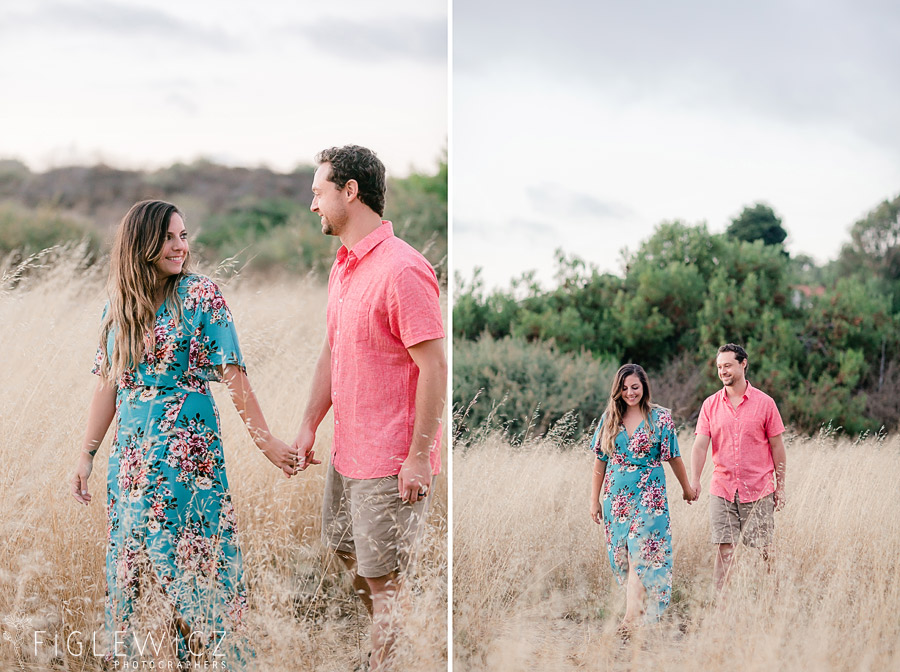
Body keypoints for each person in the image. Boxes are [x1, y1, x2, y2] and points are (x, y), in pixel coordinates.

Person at [69, 200, 310, 666]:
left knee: (192, 568)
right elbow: (108, 384)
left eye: (183, 236)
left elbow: (234, 375)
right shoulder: (118, 306)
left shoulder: (202, 295)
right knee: (137, 570)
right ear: (142, 245)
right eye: (169, 238)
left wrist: (269, 444)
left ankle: (211, 659)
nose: (181, 246)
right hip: (132, 459)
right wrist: (87, 454)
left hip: (187, 455)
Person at [292, 145, 446, 671]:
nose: (312, 205)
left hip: (392, 459)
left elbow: (435, 368)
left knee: (383, 577)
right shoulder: (343, 267)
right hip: (347, 452)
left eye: (318, 192)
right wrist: (309, 425)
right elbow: (333, 351)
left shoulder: (404, 270)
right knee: (343, 547)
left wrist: (420, 456)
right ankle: (393, 633)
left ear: (349, 191)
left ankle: (385, 656)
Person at [589, 363, 695, 631]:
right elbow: (599, 463)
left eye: (634, 387)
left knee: (640, 552)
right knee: (622, 556)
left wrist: (686, 488)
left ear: (644, 387)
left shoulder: (660, 418)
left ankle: (630, 619)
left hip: (650, 495)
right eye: (624, 388)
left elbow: (674, 457)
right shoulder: (610, 418)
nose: (629, 393)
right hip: (617, 498)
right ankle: (639, 612)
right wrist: (594, 499)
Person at [689, 343, 786, 592]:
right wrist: (695, 480)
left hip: (758, 489)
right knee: (725, 548)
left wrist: (780, 487)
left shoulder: (765, 403)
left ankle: (774, 598)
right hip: (722, 488)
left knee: (764, 548)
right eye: (720, 367)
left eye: (728, 365)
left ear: (743, 364)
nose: (723, 371)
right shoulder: (710, 405)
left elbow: (777, 447)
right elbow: (700, 446)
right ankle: (720, 605)